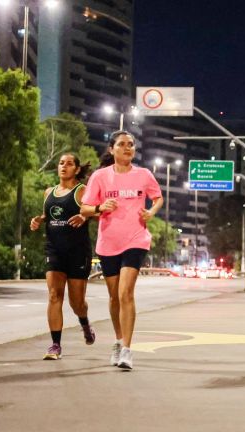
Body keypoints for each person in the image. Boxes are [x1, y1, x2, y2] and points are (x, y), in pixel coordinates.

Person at [80, 130, 163, 370]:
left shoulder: (144, 175)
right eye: (122, 144)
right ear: (111, 149)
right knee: (114, 296)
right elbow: (85, 208)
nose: (128, 148)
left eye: (131, 145)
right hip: (109, 242)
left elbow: (157, 198)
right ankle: (118, 341)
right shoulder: (100, 177)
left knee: (126, 292)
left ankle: (127, 349)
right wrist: (99, 206)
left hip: (136, 238)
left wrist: (151, 212)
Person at [30, 153, 95, 360]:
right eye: (61, 163)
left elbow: (97, 211)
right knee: (54, 295)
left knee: (77, 303)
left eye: (69, 164)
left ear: (76, 169)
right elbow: (49, 215)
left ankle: (84, 323)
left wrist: (84, 215)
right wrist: (39, 220)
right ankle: (55, 345)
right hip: (54, 250)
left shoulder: (82, 191)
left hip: (77, 252)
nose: (63, 167)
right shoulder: (49, 192)